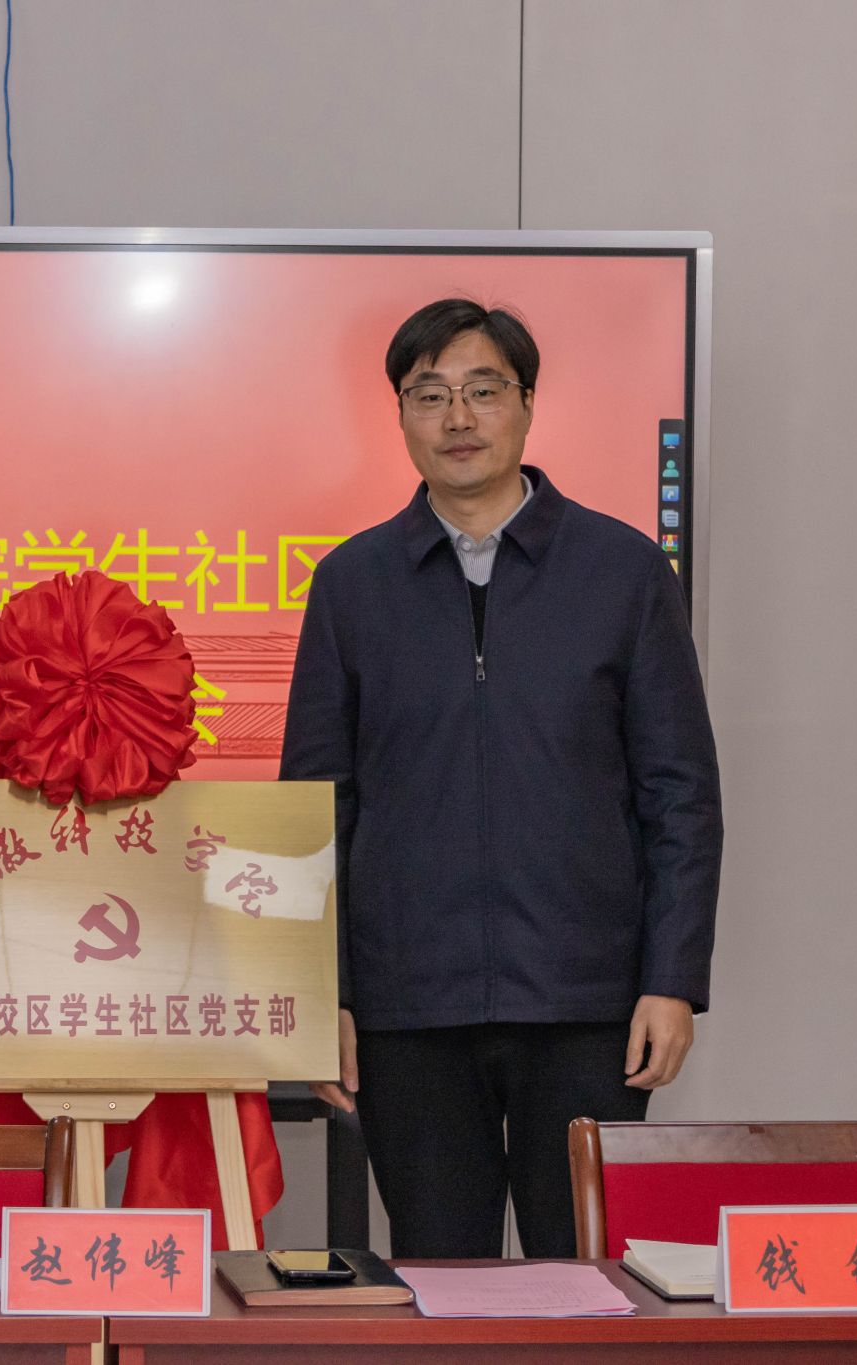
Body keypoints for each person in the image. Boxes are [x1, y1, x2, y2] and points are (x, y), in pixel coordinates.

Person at [280, 299, 722, 1258]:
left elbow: (680, 795)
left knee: (587, 1283)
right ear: (400, 414)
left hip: (587, 1003)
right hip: (409, 1008)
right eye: (429, 394)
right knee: (443, 1282)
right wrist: (322, 995)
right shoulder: (352, 584)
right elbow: (314, 810)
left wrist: (672, 980)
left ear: (527, 404)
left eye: (484, 390)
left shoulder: (623, 572)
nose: (458, 418)